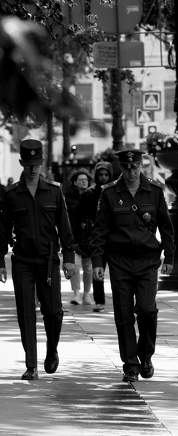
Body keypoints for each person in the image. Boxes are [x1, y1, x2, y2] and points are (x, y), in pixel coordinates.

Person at [91, 149, 175, 383]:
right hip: (120, 261)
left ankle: (145, 355)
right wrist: (98, 262)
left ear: (141, 166)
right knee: (124, 314)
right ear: (121, 168)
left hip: (147, 261)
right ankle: (130, 364)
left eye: (134, 167)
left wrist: (169, 257)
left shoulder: (154, 192)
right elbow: (100, 230)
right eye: (126, 168)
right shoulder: (109, 193)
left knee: (147, 310)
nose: (131, 172)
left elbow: (166, 228)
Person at [0, 139, 76, 380]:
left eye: (36, 163)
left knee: (53, 312)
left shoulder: (53, 191)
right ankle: (31, 365)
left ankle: (52, 349)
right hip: (22, 260)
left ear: (41, 163)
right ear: (22, 163)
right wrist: (0, 261)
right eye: (28, 164)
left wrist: (69, 258)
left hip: (48, 260)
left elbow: (64, 226)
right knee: (26, 313)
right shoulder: (12, 194)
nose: (33, 168)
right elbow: (3, 230)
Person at [76, 161, 113, 312]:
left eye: (106, 174)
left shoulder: (116, 193)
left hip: (114, 237)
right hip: (96, 237)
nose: (103, 177)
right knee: (97, 268)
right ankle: (99, 301)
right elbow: (79, 216)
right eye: (100, 174)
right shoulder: (88, 194)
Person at [65, 168, 92, 305]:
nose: (83, 182)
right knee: (74, 266)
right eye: (81, 180)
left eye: (86, 180)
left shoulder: (93, 196)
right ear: (75, 182)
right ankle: (76, 294)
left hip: (88, 237)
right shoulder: (68, 198)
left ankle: (86, 294)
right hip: (73, 236)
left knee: (88, 268)